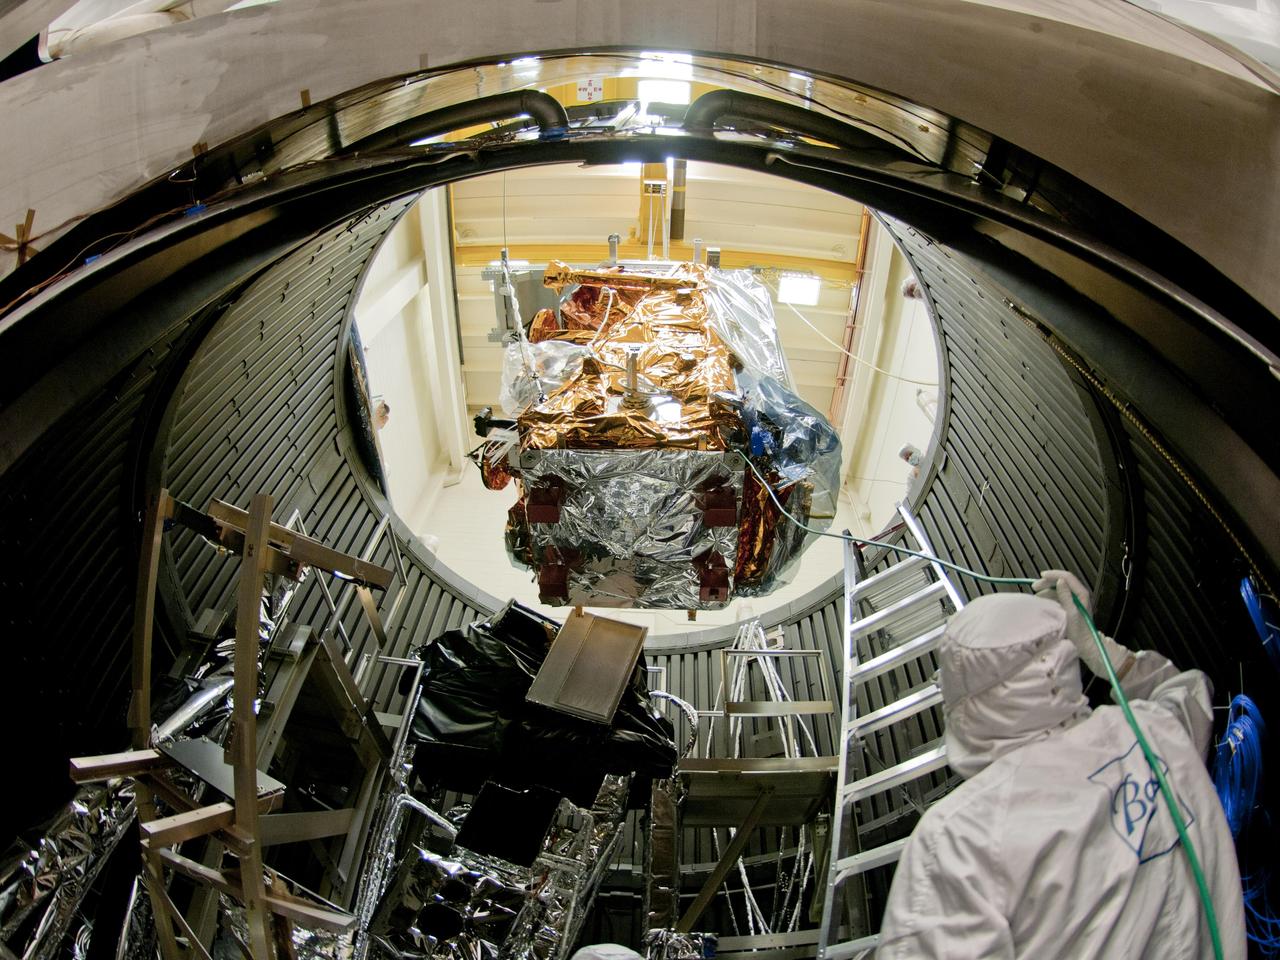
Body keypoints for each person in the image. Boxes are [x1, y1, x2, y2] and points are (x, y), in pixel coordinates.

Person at [875, 571, 1246, 959]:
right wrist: (1100, 649)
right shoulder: (1153, 732)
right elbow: (1187, 691)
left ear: (962, 699)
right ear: (1061, 655)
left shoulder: (959, 839)